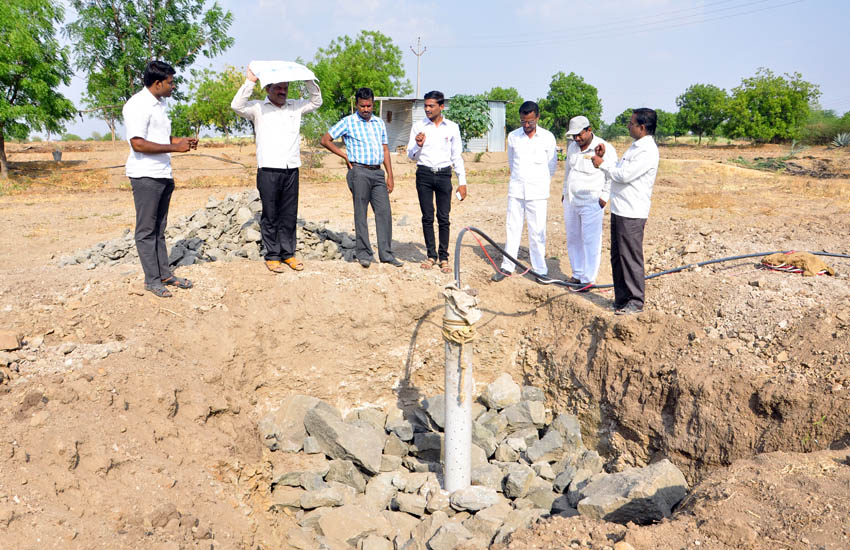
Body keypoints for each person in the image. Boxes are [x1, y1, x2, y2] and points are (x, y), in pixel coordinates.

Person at [231, 64, 322, 273]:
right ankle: (272, 255)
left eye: (285, 88)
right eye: (278, 88)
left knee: (289, 214)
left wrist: (308, 79)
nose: (282, 92)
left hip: (291, 168)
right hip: (269, 169)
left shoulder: (295, 106)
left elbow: (317, 101)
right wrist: (250, 82)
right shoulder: (257, 108)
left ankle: (288, 254)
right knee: (270, 214)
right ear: (267, 89)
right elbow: (236, 105)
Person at [122, 60, 198, 298]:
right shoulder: (137, 105)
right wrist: (175, 149)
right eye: (170, 82)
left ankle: (164, 274)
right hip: (146, 175)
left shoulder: (159, 103)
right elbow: (138, 143)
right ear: (157, 83)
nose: (173, 86)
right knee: (146, 230)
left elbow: (159, 136)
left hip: (162, 173)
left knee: (159, 228)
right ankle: (152, 280)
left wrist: (179, 141)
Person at [320, 88, 402, 269]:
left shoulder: (379, 123)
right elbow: (325, 139)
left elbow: (385, 149)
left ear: (373, 104)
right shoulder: (348, 122)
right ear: (356, 105)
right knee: (361, 213)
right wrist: (344, 156)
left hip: (378, 173)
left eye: (369, 105)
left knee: (384, 213)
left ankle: (386, 254)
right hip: (359, 172)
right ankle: (364, 254)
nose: (366, 109)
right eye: (362, 106)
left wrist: (390, 175)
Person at [591, 108, 660, 315]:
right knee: (618, 256)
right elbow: (620, 168)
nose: (628, 126)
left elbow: (624, 175)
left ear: (642, 127)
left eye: (631, 124)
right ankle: (621, 299)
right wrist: (606, 161)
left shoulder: (647, 150)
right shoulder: (635, 147)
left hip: (632, 211)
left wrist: (602, 165)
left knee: (630, 256)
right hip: (621, 209)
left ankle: (635, 301)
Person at [491, 101, 557, 282]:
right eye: (523, 122)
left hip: (538, 192)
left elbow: (552, 166)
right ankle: (507, 266)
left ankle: (540, 269)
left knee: (537, 231)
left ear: (537, 118)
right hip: (517, 190)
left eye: (530, 122)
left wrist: (540, 182)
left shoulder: (548, 137)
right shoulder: (513, 137)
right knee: (512, 228)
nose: (526, 125)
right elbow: (512, 163)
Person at [406, 90, 467, 273]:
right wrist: (418, 145)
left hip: (443, 175)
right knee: (427, 216)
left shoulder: (452, 127)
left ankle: (444, 257)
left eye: (431, 106)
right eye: (425, 105)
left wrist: (462, 182)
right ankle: (431, 255)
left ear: (441, 106)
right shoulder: (419, 127)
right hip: (424, 174)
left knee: (443, 217)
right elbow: (411, 155)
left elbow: (457, 156)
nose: (427, 109)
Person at [562, 115, 616, 290]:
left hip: (592, 202)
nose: (577, 139)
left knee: (590, 241)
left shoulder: (604, 148)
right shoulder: (572, 147)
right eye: (573, 136)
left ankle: (588, 279)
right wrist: (564, 193)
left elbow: (611, 174)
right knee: (573, 238)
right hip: (571, 200)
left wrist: (604, 197)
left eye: (579, 135)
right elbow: (568, 172)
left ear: (589, 130)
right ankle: (577, 274)